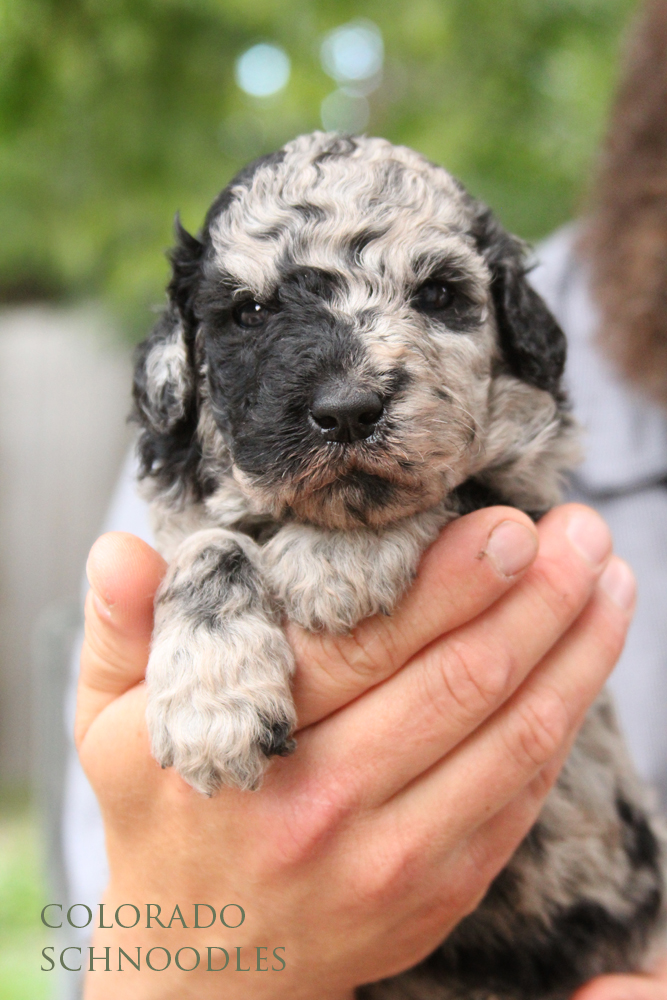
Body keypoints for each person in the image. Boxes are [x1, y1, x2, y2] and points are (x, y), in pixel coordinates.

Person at [64, 2, 667, 995]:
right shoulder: (190, 495)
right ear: (184, 364)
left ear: (511, 335)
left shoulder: (524, 415)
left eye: (432, 296)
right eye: (252, 312)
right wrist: (172, 964)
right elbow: (111, 940)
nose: (351, 385)